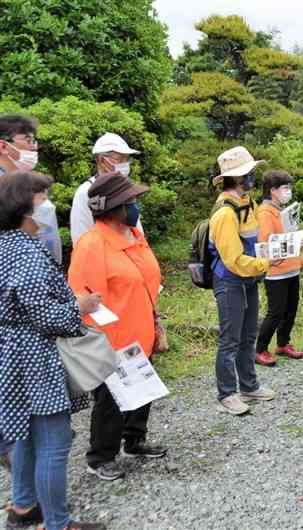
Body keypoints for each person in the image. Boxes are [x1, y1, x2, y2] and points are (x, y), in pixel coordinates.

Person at [0, 171, 106, 530]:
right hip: (34, 356)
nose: (48, 206)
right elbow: (43, 315)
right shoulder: (25, 253)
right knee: (53, 442)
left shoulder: (6, 245)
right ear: (23, 207)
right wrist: (82, 306)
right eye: (42, 198)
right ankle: (57, 523)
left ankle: (24, 507)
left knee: (26, 434)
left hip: (12, 354)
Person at [67, 173, 167, 481]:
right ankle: (100, 456)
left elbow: (147, 281)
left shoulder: (133, 235)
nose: (136, 207)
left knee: (143, 390)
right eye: (132, 202)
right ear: (115, 208)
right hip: (113, 341)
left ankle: (134, 440)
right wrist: (112, 341)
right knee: (110, 401)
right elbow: (85, 298)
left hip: (143, 331)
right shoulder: (91, 245)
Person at [209, 146, 276, 415]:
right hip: (230, 282)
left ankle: (249, 386)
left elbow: (256, 240)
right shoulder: (225, 213)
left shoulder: (248, 203)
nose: (252, 177)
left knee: (249, 335)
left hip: (249, 279)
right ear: (235, 178)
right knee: (230, 339)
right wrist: (265, 264)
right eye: (248, 173)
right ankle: (226, 393)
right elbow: (233, 259)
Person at [255, 170, 303, 367]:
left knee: (291, 308)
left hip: (292, 267)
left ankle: (283, 343)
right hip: (276, 271)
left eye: (289, 187)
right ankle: (259, 349)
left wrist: (296, 241)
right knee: (275, 312)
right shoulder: (265, 213)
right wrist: (290, 243)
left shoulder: (282, 210)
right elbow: (268, 243)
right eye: (285, 188)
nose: (288, 191)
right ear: (272, 190)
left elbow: (287, 234)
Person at [0, 114, 62, 263]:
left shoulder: (30, 182)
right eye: (27, 140)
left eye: (34, 140)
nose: (34, 146)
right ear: (3, 146)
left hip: (44, 268)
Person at [70, 132, 143, 246]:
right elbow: (80, 237)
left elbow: (137, 230)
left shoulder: (124, 188)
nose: (125, 164)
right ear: (102, 160)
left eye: (127, 159)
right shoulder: (85, 192)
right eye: (120, 159)